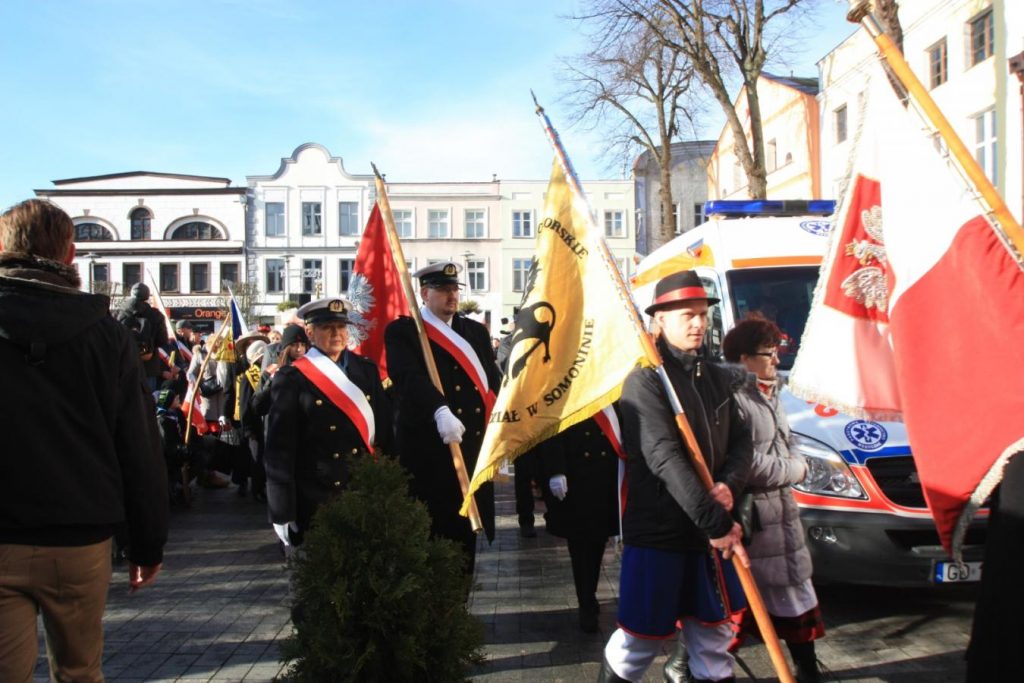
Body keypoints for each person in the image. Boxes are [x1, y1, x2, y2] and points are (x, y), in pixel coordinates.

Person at [0, 199, 168, 681]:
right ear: (70, 254)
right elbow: (138, 444)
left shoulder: (109, 334)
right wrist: (146, 543)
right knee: (79, 673)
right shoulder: (107, 336)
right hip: (79, 535)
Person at [599, 270, 752, 683]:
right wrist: (716, 522)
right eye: (688, 315)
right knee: (639, 641)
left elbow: (742, 441)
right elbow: (663, 458)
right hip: (661, 533)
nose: (699, 323)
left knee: (713, 635)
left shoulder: (717, 376)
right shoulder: (644, 381)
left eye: (703, 314)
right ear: (660, 320)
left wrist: (729, 485)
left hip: (706, 534)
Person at [722, 316, 824, 683]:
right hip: (754, 518)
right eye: (769, 353)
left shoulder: (771, 391)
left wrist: (797, 462)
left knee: (794, 592)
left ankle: (807, 670)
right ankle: (688, 666)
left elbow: (787, 439)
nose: (777, 360)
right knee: (739, 605)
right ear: (745, 358)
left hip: (781, 512)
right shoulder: (732, 398)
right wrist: (794, 470)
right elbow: (743, 462)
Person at [385, 261, 501, 575]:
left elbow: (492, 381)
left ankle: (460, 601)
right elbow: (407, 377)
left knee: (465, 543)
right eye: (443, 290)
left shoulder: (474, 332)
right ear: (424, 294)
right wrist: (438, 408)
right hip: (430, 452)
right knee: (432, 537)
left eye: (454, 290)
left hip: (471, 450)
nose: (452, 296)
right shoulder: (405, 332)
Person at [264, 297, 392, 548]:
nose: (336, 334)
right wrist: (281, 508)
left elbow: (385, 433)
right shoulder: (292, 378)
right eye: (327, 327)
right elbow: (279, 448)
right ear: (310, 333)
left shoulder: (366, 370)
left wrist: (390, 482)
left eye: (341, 326)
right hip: (317, 495)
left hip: (363, 489)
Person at [537, 413, 621, 633]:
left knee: (598, 540)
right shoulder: (563, 389)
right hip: (576, 472)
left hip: (606, 470)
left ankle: (589, 592)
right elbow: (551, 422)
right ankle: (586, 600)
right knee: (580, 543)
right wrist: (555, 468)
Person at [115, 281, 173, 391]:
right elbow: (162, 340)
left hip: (124, 365)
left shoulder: (118, 313)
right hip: (148, 367)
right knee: (147, 398)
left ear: (131, 294)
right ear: (147, 296)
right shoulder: (155, 315)